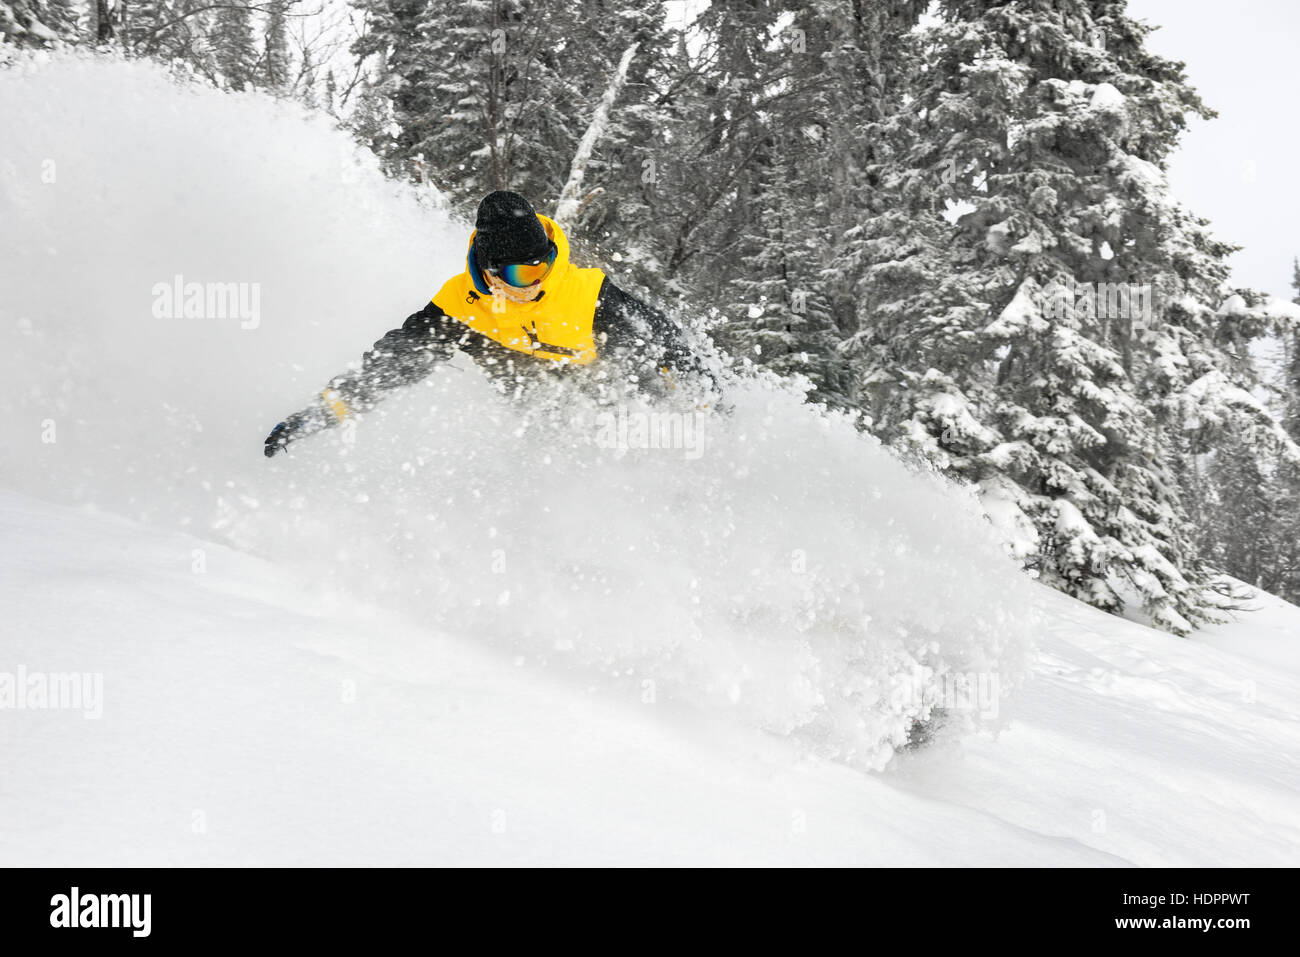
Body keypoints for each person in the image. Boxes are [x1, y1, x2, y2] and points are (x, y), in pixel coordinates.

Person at [265, 191, 705, 457]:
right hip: (540, 407)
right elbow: (395, 365)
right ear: (490, 270)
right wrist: (324, 412)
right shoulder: (459, 304)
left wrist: (707, 411)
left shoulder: (586, 293)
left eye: (542, 268)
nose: (535, 283)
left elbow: (667, 346)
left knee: (636, 409)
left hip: (609, 391)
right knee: (548, 431)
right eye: (522, 275)